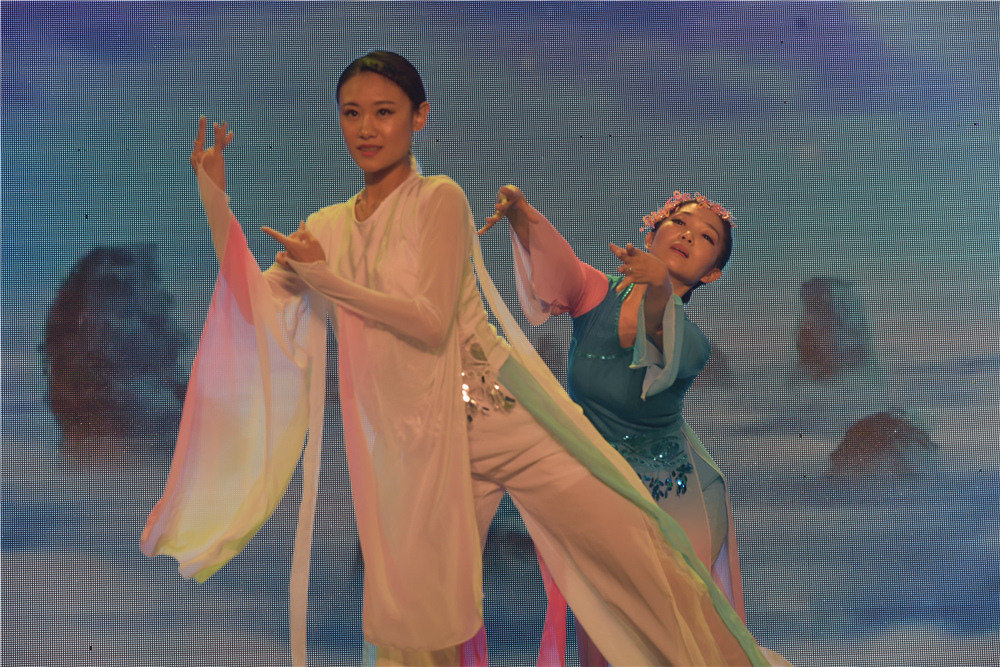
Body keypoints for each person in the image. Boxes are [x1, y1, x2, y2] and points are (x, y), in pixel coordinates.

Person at [141, 51, 768, 666]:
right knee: (417, 619)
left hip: (504, 417)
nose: (366, 128)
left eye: (385, 111)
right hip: (421, 443)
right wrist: (215, 201)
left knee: (635, 555)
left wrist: (325, 280)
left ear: (419, 117)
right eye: (352, 113)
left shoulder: (439, 200)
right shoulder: (326, 228)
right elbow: (256, 306)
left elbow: (429, 321)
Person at [482, 185, 787, 665]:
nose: (688, 234)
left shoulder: (693, 344)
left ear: (711, 272)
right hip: (600, 492)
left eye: (706, 237)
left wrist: (660, 286)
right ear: (650, 233)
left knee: (677, 645)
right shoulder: (594, 292)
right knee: (607, 639)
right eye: (679, 222)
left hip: (675, 503)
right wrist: (523, 215)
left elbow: (649, 331)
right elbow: (561, 268)